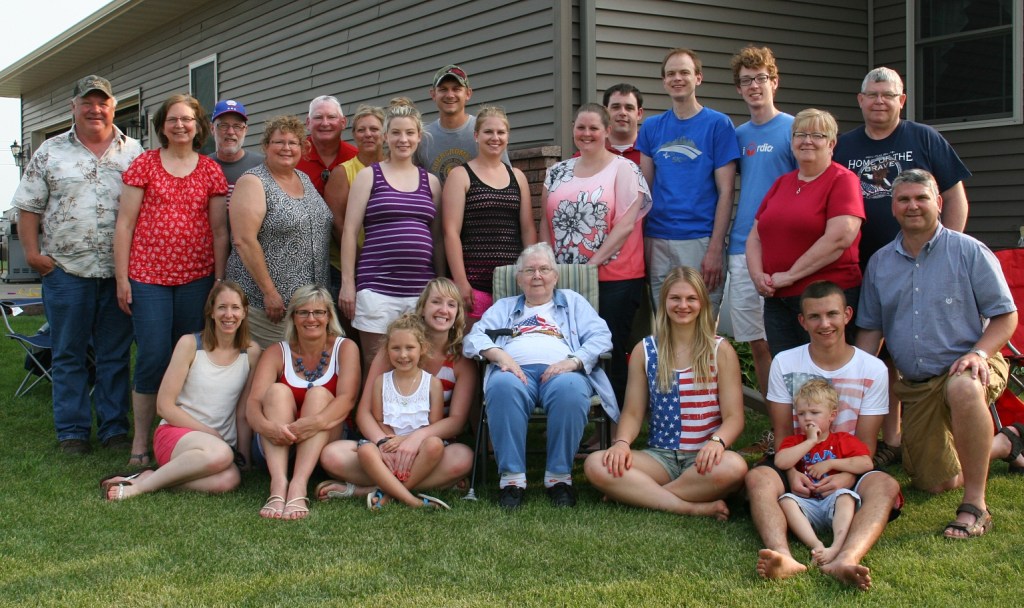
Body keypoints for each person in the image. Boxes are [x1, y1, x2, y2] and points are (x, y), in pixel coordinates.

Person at [856, 169, 1017, 539]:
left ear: (939, 203)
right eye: (904, 199)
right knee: (934, 482)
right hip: (918, 385)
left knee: (962, 387)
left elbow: (1006, 316)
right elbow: (870, 331)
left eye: (921, 198)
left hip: (971, 363)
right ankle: (1005, 442)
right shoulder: (880, 264)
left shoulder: (969, 251)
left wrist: (979, 352)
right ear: (893, 208)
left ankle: (975, 505)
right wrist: (851, 377)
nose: (913, 206)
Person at [833, 67, 972, 467]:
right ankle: (887, 437)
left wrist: (946, 252)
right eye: (872, 94)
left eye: (888, 95)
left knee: (912, 346)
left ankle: (925, 431)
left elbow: (954, 197)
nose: (880, 101)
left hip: (922, 262)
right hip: (863, 269)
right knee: (879, 351)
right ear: (860, 100)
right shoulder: (844, 147)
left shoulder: (924, 138)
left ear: (901, 101)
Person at [12, 75, 143, 455]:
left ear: (113, 106)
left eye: (102, 102)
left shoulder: (135, 152)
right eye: (87, 102)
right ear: (73, 107)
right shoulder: (50, 152)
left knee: (115, 355)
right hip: (67, 271)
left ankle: (114, 428)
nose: (94, 109)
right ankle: (72, 431)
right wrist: (35, 256)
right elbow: (29, 207)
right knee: (68, 353)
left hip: (121, 274)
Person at [749, 281, 896, 591]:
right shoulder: (785, 362)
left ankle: (846, 558)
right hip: (797, 457)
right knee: (758, 478)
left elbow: (867, 444)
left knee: (886, 484)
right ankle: (782, 555)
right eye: (814, 317)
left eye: (832, 314)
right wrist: (790, 472)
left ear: (847, 315)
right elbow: (783, 433)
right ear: (802, 321)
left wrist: (844, 476)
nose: (824, 324)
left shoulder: (872, 368)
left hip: (848, 462)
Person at [114, 93, 229, 467]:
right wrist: (122, 278)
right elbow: (125, 224)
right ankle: (140, 444)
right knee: (151, 356)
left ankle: (179, 436)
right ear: (162, 126)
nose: (180, 125)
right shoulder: (144, 164)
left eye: (187, 119)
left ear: (199, 127)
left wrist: (219, 279)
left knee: (188, 358)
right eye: (172, 119)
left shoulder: (210, 170)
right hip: (148, 278)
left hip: (196, 279)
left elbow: (219, 231)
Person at [583, 266, 747, 520]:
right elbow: (634, 412)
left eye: (691, 298)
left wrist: (717, 442)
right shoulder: (645, 350)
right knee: (595, 464)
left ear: (702, 302)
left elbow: (735, 416)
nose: (683, 305)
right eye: (676, 298)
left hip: (704, 458)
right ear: (664, 302)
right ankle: (690, 506)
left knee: (735, 467)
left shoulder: (720, 350)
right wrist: (622, 444)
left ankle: (641, 494)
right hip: (659, 458)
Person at [464, 243, 615, 509]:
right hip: (514, 371)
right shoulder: (504, 306)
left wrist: (574, 361)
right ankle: (511, 480)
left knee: (571, 391)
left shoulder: (572, 301)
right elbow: (474, 337)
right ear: (519, 278)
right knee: (501, 388)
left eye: (544, 269)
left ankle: (559, 478)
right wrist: (501, 356)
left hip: (562, 371)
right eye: (529, 270)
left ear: (555, 276)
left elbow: (602, 336)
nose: (537, 275)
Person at [318, 278, 477, 502]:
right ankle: (429, 484)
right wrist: (383, 442)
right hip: (387, 442)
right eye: (436, 302)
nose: (444, 310)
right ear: (422, 308)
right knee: (331, 455)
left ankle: (376, 490)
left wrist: (415, 439)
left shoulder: (461, 361)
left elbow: (457, 421)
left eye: (452, 305)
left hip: (429, 447)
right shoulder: (393, 351)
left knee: (464, 458)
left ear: (458, 313)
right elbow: (364, 413)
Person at [101, 281, 261, 500]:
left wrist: (244, 457)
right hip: (178, 435)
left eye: (235, 308)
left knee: (230, 480)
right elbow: (164, 406)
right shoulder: (190, 344)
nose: (229, 314)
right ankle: (138, 489)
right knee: (221, 453)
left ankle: (151, 477)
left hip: (219, 447)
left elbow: (242, 412)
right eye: (222, 307)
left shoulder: (251, 353)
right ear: (211, 312)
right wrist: (210, 433)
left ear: (245, 312)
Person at [540, 103, 651, 409]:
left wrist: (591, 264)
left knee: (609, 349)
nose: (586, 134)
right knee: (567, 347)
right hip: (565, 278)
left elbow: (626, 224)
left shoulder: (625, 169)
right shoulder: (557, 172)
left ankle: (614, 425)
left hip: (615, 278)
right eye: (581, 127)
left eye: (593, 128)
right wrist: (548, 263)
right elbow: (545, 222)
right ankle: (571, 412)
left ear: (606, 131)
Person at [746, 108, 864, 357]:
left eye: (817, 135)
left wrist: (790, 275)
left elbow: (839, 238)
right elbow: (756, 235)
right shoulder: (782, 183)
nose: (807, 140)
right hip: (777, 299)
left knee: (825, 377)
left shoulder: (843, 180)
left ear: (831, 143)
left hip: (824, 302)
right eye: (800, 134)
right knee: (789, 374)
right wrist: (758, 276)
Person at [340, 100, 443, 370]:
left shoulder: (430, 182)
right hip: (376, 289)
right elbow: (350, 232)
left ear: (419, 136)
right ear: (385, 136)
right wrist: (348, 284)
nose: (403, 139)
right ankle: (371, 414)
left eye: (409, 133)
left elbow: (438, 239)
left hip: (420, 291)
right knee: (375, 364)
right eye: (396, 132)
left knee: (416, 364)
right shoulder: (368, 176)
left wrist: (440, 283)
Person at [637, 48, 740, 311]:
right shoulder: (651, 127)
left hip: (700, 239)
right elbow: (644, 191)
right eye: (670, 74)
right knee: (664, 323)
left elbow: (727, 192)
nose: (677, 78)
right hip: (656, 239)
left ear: (698, 78)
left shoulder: (718, 125)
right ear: (663, 81)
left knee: (701, 322)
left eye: (684, 72)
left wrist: (716, 247)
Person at [246, 285, 360, 520]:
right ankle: (278, 486)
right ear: (293, 317)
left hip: (327, 441)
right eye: (303, 312)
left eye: (319, 312)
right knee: (277, 391)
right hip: (279, 443)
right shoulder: (277, 352)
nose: (311, 319)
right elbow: (253, 404)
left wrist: (314, 423)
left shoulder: (345, 347)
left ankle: (298, 486)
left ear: (329, 316)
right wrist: (268, 428)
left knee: (318, 394)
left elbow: (347, 399)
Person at [225, 115, 332, 348]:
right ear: (266, 146)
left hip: (306, 306)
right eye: (279, 142)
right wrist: (270, 292)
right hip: (267, 304)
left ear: (302, 149)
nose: (287, 148)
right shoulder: (254, 182)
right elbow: (243, 240)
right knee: (265, 368)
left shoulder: (303, 178)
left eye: (293, 143)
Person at [728, 46, 796, 395]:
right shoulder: (736, 137)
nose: (754, 86)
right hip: (741, 247)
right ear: (739, 89)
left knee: (790, 341)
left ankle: (803, 418)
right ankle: (776, 424)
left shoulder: (794, 129)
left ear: (774, 82)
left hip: (784, 249)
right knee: (758, 341)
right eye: (746, 81)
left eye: (761, 78)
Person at [443, 105, 536, 323]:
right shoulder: (460, 175)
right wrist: (461, 282)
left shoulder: (518, 177)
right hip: (474, 286)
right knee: (473, 350)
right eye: (488, 132)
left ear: (507, 136)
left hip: (513, 284)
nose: (495, 138)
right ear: (476, 135)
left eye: (501, 132)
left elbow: (528, 228)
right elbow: (450, 232)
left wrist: (530, 273)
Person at [356, 314, 452, 510]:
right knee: (365, 450)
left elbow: (433, 425)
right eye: (396, 348)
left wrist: (407, 440)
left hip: (419, 449)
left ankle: (388, 493)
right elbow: (378, 418)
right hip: (388, 446)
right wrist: (389, 443)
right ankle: (413, 501)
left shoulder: (432, 384)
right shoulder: (381, 382)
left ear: (422, 348)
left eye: (410, 348)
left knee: (435, 445)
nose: (403, 355)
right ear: (387, 350)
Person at [775, 379, 872, 567]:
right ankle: (816, 544)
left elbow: (866, 463)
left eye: (814, 413)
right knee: (786, 501)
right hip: (807, 503)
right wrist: (810, 442)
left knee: (845, 496)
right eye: (801, 414)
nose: (807, 419)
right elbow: (781, 461)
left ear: (832, 415)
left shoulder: (842, 440)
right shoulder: (795, 441)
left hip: (832, 500)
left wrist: (831, 464)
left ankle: (836, 545)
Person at [323, 105, 386, 305]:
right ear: (354, 135)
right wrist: (363, 261)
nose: (368, 134)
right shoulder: (343, 172)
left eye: (374, 129)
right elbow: (337, 224)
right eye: (361, 130)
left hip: (387, 268)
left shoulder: (396, 168)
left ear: (384, 134)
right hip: (349, 268)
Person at [417, 64, 509, 182]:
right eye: (443, 89)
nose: (450, 95)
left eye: (456, 89)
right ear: (433, 94)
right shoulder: (424, 137)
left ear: (468, 94)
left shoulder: (486, 131)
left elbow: (506, 176)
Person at [295, 95, 357, 195]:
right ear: (308, 123)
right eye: (318, 117)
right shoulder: (293, 155)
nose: (325, 123)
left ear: (343, 122)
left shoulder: (355, 158)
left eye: (331, 117)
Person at [209, 99, 264, 203]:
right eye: (223, 125)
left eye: (237, 126)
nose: (230, 132)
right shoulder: (202, 167)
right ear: (212, 129)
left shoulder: (262, 166)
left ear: (245, 130)